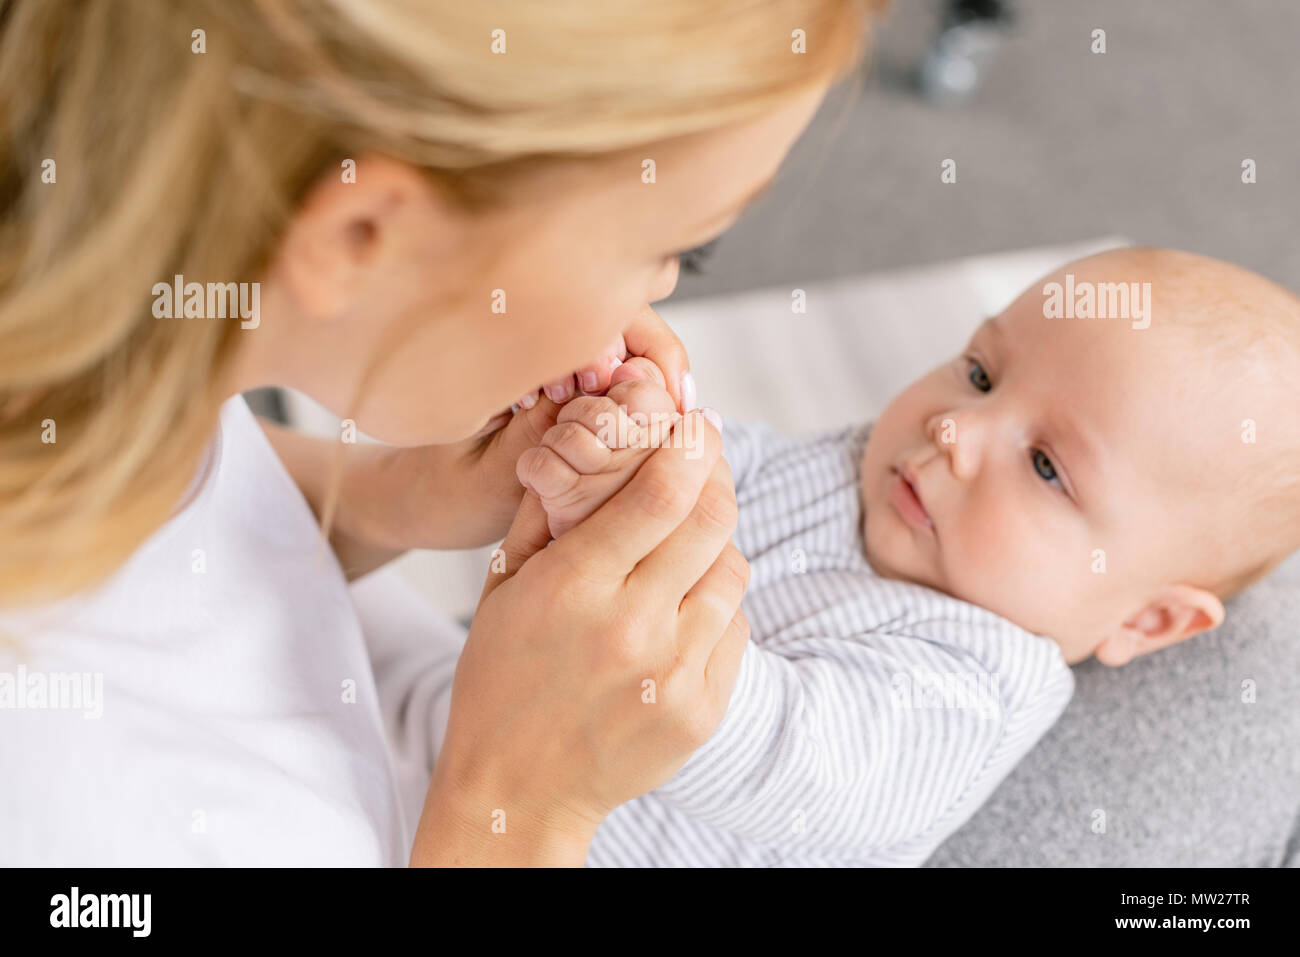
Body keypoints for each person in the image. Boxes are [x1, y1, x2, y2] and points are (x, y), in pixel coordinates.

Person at [0, 0, 881, 865]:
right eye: (678, 250)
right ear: (359, 236)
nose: (659, 295)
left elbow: (170, 515)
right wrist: (520, 801)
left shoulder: (111, 321)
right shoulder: (74, 807)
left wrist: (397, 501)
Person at [516, 248, 1300, 865]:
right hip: (486, 719)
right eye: (982, 373)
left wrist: (623, 539)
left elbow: (777, 754)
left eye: (1047, 467)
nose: (957, 430)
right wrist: (641, 427)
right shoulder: (877, 470)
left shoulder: (971, 686)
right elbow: (721, 468)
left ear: (1150, 615)